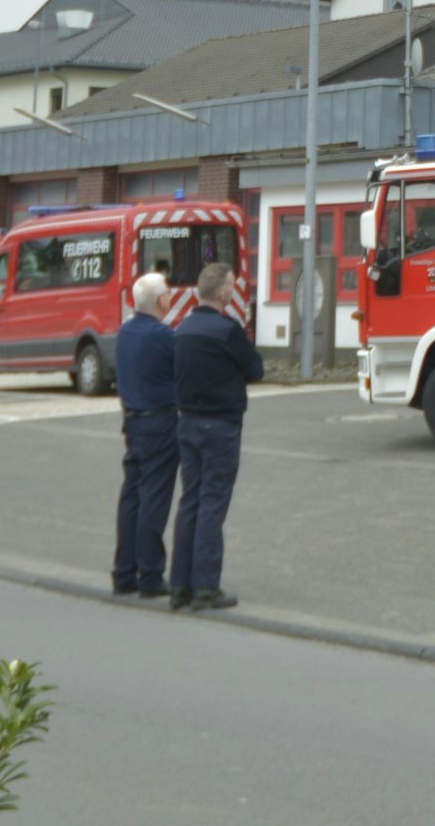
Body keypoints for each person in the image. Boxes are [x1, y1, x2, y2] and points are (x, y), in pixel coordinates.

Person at [169, 257, 265, 613]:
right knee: (212, 504)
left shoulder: (181, 329)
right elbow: (255, 369)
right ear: (223, 292)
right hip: (221, 426)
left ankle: (180, 586)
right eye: (232, 285)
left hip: (187, 422)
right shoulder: (228, 330)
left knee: (189, 501)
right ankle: (206, 587)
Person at [111, 271, 180, 600]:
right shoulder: (163, 335)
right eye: (168, 293)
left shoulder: (124, 332)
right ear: (160, 301)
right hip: (160, 422)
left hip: (133, 421)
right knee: (155, 498)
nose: (171, 297)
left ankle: (124, 572)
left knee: (132, 497)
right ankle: (151, 574)